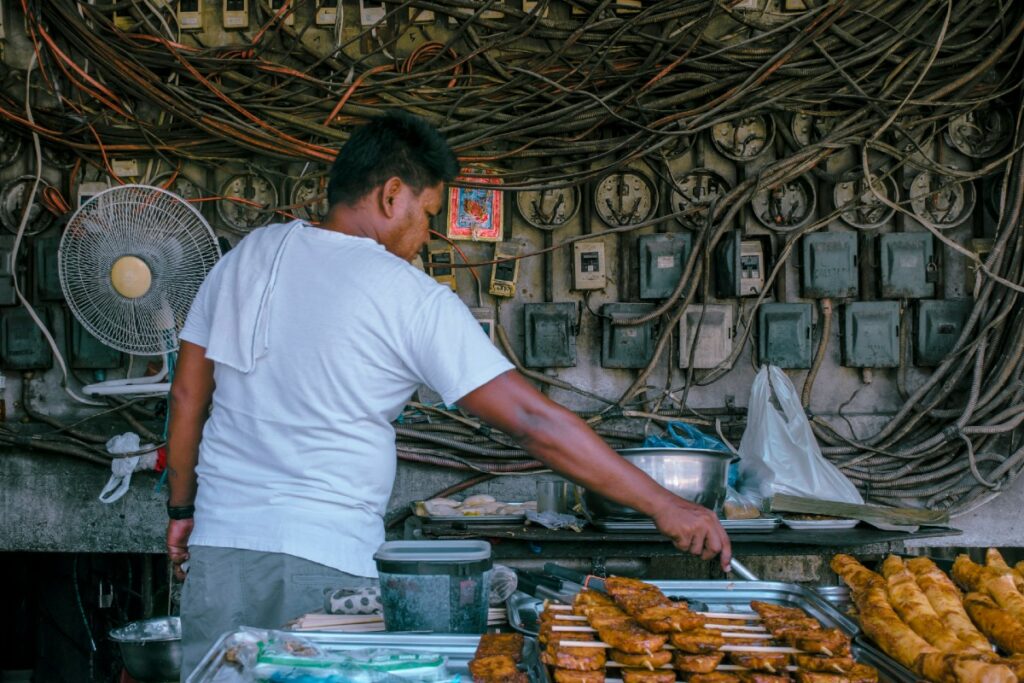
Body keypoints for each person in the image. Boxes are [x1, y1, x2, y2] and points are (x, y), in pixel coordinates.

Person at [166, 110, 731, 679]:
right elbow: (533, 421)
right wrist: (663, 503)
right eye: (429, 214)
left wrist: (183, 510)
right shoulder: (407, 294)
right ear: (393, 196)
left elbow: (188, 395)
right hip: (327, 565)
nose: (426, 236)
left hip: (221, 553)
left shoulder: (246, 258)